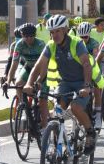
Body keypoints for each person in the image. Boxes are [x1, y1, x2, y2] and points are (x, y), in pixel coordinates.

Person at [24, 14, 96, 154]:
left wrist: (87, 86)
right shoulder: (51, 46)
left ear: (65, 30)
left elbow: (87, 65)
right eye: (52, 32)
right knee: (58, 112)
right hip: (65, 83)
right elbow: (38, 66)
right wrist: (29, 83)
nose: (54, 35)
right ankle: (58, 143)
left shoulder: (77, 43)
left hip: (82, 83)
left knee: (75, 107)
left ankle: (90, 132)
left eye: (57, 31)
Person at [4, 23, 48, 126]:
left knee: (42, 101)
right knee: (18, 83)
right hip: (28, 68)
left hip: (42, 69)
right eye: (25, 36)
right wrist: (8, 81)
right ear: (22, 35)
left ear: (35, 35)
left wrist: (39, 80)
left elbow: (45, 64)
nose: (28, 39)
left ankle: (45, 126)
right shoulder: (19, 45)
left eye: (31, 36)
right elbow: (14, 65)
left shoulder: (41, 44)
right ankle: (25, 107)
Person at [77, 21, 104, 129]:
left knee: (97, 89)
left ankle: (98, 115)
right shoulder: (76, 43)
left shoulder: (94, 43)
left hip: (92, 67)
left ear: (89, 34)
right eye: (81, 37)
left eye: (85, 37)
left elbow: (95, 57)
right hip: (80, 69)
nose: (83, 39)